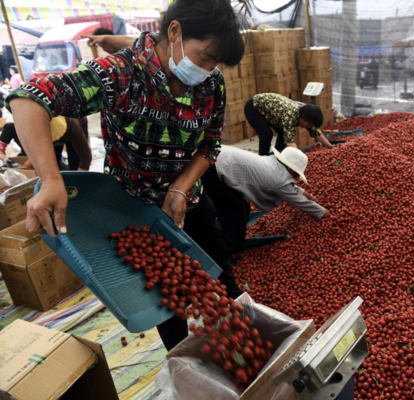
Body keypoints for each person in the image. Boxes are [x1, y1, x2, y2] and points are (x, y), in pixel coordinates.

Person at [7, 0, 245, 351]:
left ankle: (243, 352)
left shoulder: (211, 84)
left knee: (222, 290)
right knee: (172, 309)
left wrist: (180, 188)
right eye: (205, 58)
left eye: (215, 64)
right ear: (175, 32)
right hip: (134, 216)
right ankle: (192, 365)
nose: (209, 69)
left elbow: (209, 145)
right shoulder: (121, 73)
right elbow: (29, 99)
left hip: (188, 206)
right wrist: (52, 179)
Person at [203, 145, 331, 254]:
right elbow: (300, 202)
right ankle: (222, 254)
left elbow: (288, 186)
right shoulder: (280, 180)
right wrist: (326, 213)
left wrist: (307, 194)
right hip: (213, 168)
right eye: (297, 175)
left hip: (216, 157)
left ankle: (223, 241)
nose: (296, 179)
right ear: (291, 170)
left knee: (239, 208)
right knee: (235, 213)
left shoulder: (274, 164)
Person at [245, 93, 335, 156]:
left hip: (272, 111)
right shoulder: (290, 115)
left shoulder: (306, 113)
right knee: (266, 134)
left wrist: (331, 147)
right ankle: (263, 161)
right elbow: (290, 142)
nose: (308, 127)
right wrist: (300, 159)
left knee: (283, 133)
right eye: (309, 124)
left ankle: (278, 155)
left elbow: (316, 133)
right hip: (254, 107)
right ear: (303, 117)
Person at [0, 117, 91, 171]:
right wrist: (24, 169)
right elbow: (37, 153)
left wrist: (79, 180)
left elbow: (86, 157)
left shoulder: (73, 125)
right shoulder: (29, 123)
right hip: (45, 123)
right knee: (53, 166)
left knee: (75, 167)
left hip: (71, 122)